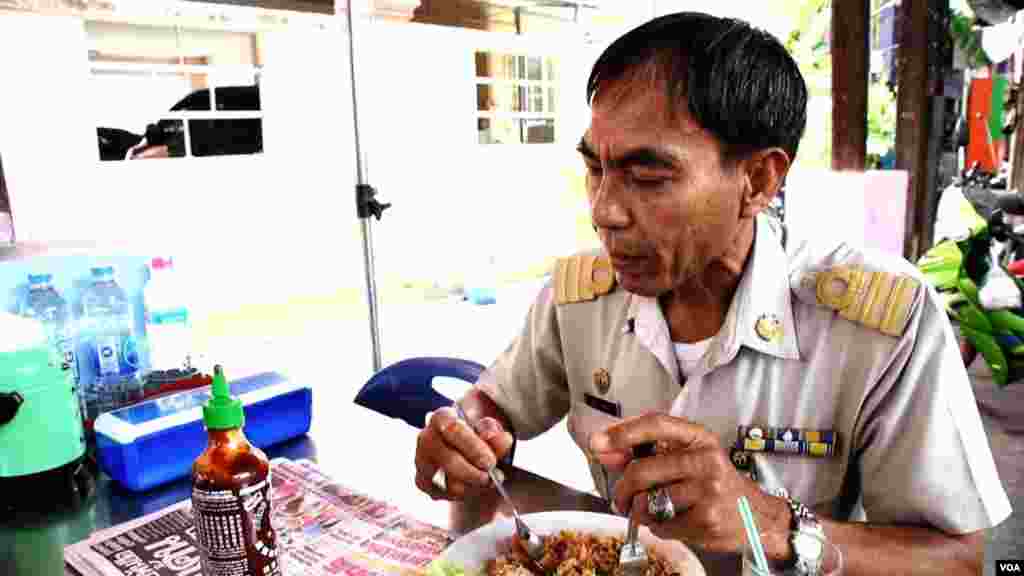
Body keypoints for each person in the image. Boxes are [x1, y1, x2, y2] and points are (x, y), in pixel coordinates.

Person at [414, 12, 1010, 575]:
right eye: (597, 168)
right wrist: (466, 433)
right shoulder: (581, 292)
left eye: (648, 178)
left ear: (758, 180)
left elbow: (956, 558)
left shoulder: (879, 322)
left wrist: (774, 525)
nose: (604, 212)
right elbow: (494, 408)